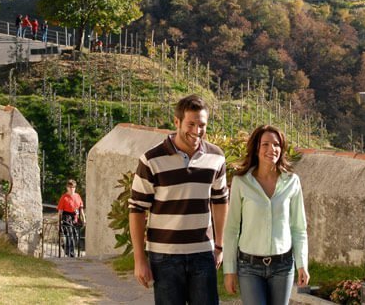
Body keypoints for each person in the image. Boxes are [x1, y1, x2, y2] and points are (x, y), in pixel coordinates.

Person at [130, 94, 228, 304]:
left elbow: (220, 201)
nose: (197, 130)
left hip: (203, 253)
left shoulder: (217, 157)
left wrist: (220, 246)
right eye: (190, 124)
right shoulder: (151, 160)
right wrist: (139, 259)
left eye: (201, 124)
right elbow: (137, 210)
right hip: (165, 256)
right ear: (176, 122)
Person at [223, 125, 309, 305]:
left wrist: (302, 264)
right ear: (256, 148)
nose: (272, 149)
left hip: (283, 266)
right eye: (265, 144)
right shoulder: (241, 182)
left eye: (276, 144)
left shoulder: (292, 182)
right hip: (249, 267)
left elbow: (299, 228)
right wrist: (229, 271)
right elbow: (231, 230)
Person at [57, 179, 85, 257]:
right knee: (70, 236)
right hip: (66, 218)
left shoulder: (77, 196)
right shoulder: (64, 197)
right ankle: (71, 254)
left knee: (76, 235)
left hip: (75, 218)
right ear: (67, 187)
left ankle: (65, 247)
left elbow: (81, 208)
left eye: (73, 187)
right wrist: (58, 222)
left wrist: (84, 219)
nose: (72, 188)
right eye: (70, 187)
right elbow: (60, 211)